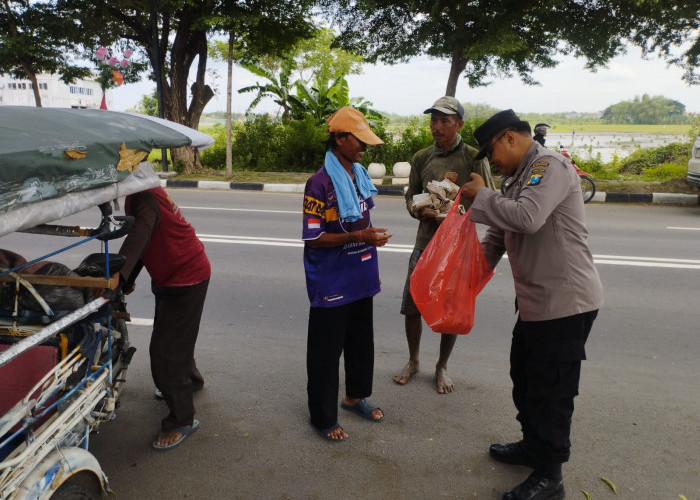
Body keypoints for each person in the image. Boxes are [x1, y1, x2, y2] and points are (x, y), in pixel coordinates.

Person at [460, 109, 604, 500]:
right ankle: (532, 446)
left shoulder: (548, 166)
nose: (491, 162)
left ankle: (550, 475)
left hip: (565, 304)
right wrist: (463, 286)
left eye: (491, 152)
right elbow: (497, 237)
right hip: (536, 304)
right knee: (525, 380)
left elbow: (527, 218)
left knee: (552, 391)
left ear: (509, 137)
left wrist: (482, 196)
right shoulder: (515, 178)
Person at [393, 96, 495, 394]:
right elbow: (411, 196)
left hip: (457, 248)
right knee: (412, 305)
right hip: (425, 244)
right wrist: (418, 210)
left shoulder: (474, 157)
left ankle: (442, 366)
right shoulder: (421, 157)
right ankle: (413, 361)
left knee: (451, 309)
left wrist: (454, 215)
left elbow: (490, 202)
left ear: (459, 124)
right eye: (433, 120)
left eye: (444, 121)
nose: (436, 127)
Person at [302, 106, 392, 442]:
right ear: (339, 138)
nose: (364, 148)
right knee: (326, 351)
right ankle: (322, 417)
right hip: (332, 280)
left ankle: (355, 397)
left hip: (361, 274)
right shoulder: (319, 183)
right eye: (358, 141)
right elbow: (313, 237)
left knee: (360, 342)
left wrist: (369, 239)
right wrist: (358, 237)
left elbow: (361, 223)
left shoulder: (359, 174)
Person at [118, 186, 210, 451]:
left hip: (184, 277)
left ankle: (181, 419)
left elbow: (139, 235)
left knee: (165, 354)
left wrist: (119, 277)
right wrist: (128, 277)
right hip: (179, 273)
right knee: (178, 337)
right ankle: (190, 381)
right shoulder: (144, 190)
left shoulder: (144, 197)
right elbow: (147, 239)